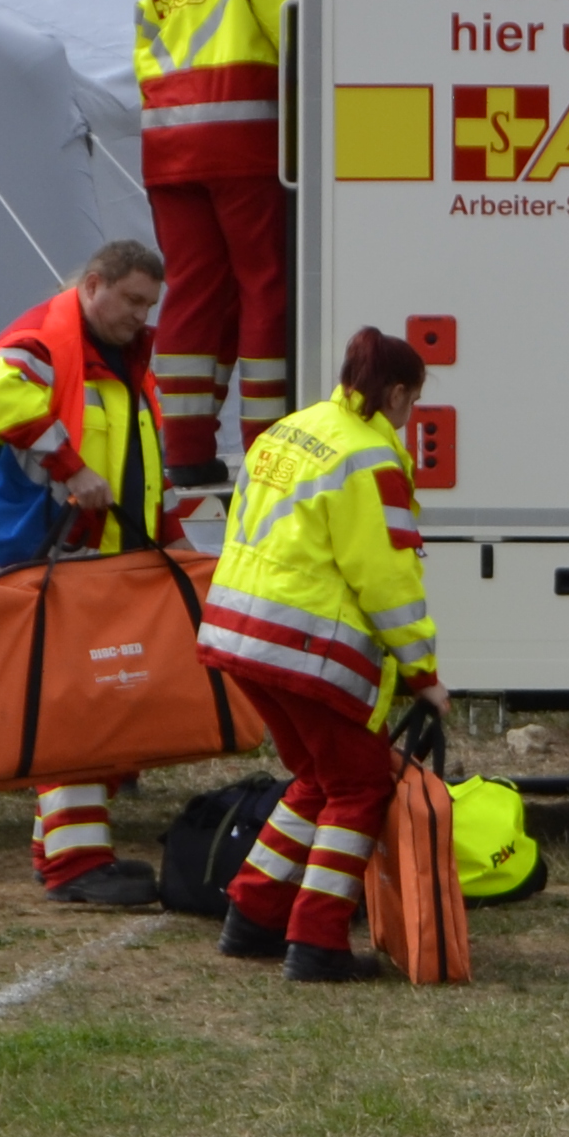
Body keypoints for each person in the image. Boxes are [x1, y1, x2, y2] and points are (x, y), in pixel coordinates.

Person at [0, 240, 177, 904]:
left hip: (83, 560)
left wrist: (165, 543)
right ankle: (76, 867)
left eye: (149, 304)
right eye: (132, 299)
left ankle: (58, 849)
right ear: (93, 284)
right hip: (38, 559)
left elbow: (138, 467)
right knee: (70, 712)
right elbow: (3, 395)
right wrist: (72, 469)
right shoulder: (42, 343)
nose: (141, 315)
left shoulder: (117, 360)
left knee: (78, 704)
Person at [199, 327, 445, 981]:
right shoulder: (370, 458)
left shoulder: (290, 431)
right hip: (303, 649)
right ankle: (316, 942)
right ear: (395, 392)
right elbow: (388, 578)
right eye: (411, 401)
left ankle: (252, 914)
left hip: (237, 636)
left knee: (319, 777)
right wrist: (425, 674)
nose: (410, 416)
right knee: (360, 783)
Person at [132, 0, 296, 491]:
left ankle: (186, 446)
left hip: (168, 147)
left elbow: (147, 59)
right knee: (263, 284)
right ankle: (267, 445)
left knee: (193, 291)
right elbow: (291, 29)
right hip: (242, 137)